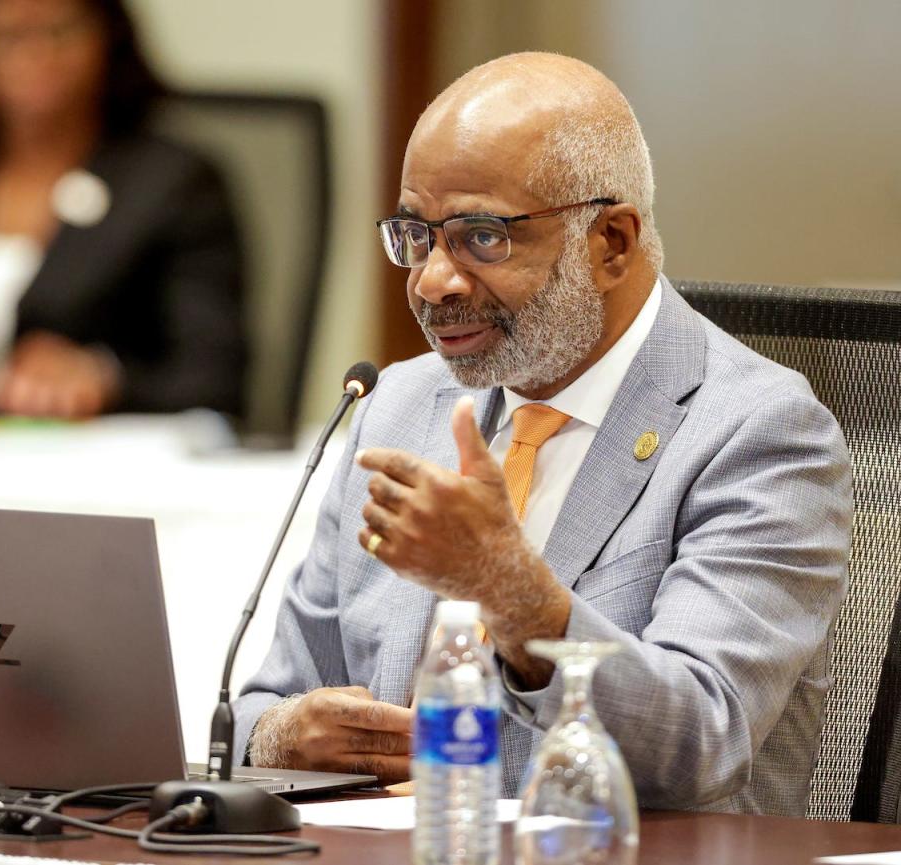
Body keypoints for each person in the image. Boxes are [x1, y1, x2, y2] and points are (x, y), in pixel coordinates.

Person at [233, 53, 852, 815]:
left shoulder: (757, 433)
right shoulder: (398, 403)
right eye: (417, 235)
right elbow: (264, 700)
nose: (432, 281)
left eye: (481, 238)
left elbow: (699, 742)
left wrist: (508, 587)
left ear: (612, 243)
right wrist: (282, 734)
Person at [0, 0, 246, 419]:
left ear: (107, 37)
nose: (36, 55)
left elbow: (213, 376)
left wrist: (103, 376)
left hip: (104, 461)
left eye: (59, 31)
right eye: (8, 36)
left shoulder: (171, 181)